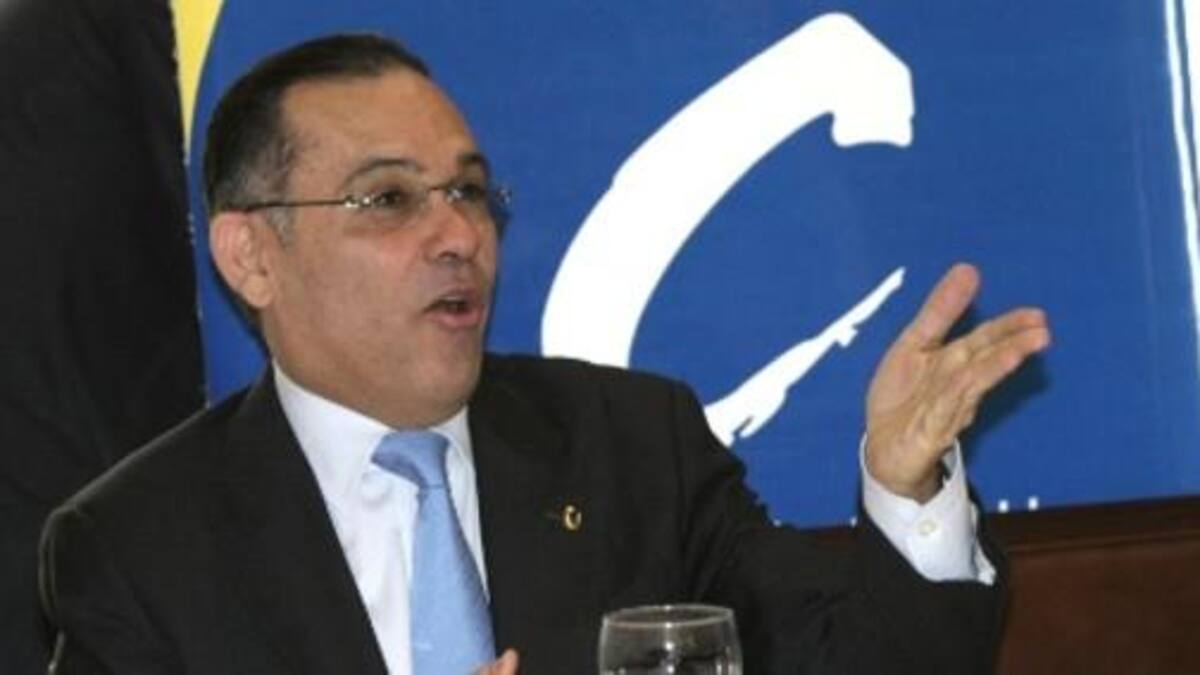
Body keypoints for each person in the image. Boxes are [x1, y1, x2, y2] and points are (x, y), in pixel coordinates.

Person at [39, 33, 1050, 675]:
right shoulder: (139, 547)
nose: (458, 234)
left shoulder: (634, 444)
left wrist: (905, 489)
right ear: (251, 256)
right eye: (388, 198)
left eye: (469, 191)